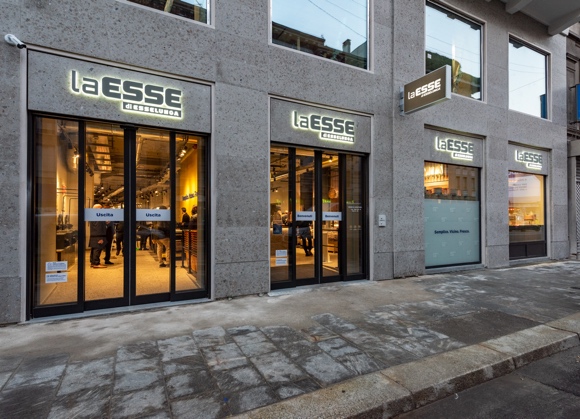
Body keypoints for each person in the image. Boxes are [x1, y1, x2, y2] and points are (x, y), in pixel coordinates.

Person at [89, 204, 108, 268]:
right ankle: (96, 263)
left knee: (94, 248)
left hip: (94, 235)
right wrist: (100, 238)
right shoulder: (98, 216)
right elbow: (99, 227)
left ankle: (93, 262)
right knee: (97, 249)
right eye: (101, 208)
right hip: (98, 235)